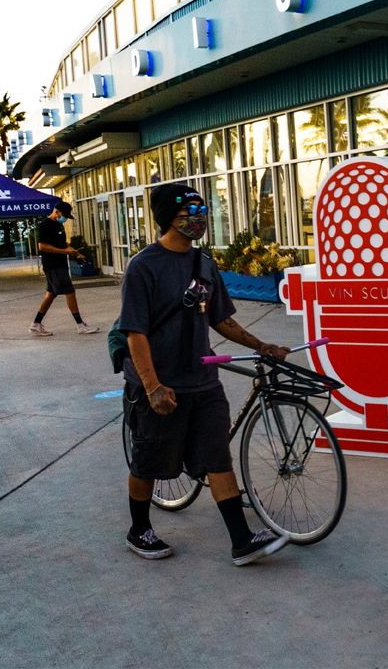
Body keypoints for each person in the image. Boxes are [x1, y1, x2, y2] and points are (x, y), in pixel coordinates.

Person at [120, 183, 291, 566]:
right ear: (169, 218)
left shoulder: (204, 264)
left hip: (202, 380)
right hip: (161, 384)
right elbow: (135, 332)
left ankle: (241, 541)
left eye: (202, 212)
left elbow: (221, 319)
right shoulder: (144, 266)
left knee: (217, 457)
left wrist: (262, 345)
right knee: (149, 459)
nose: (198, 219)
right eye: (189, 213)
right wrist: (152, 386)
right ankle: (139, 529)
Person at [30, 201, 99, 337]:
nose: (65, 218)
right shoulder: (46, 226)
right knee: (70, 291)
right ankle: (80, 325)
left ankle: (36, 324)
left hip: (59, 265)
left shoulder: (58, 225)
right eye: (64, 215)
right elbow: (43, 247)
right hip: (54, 265)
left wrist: (76, 253)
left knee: (51, 294)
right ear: (57, 212)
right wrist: (65, 252)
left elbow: (62, 244)